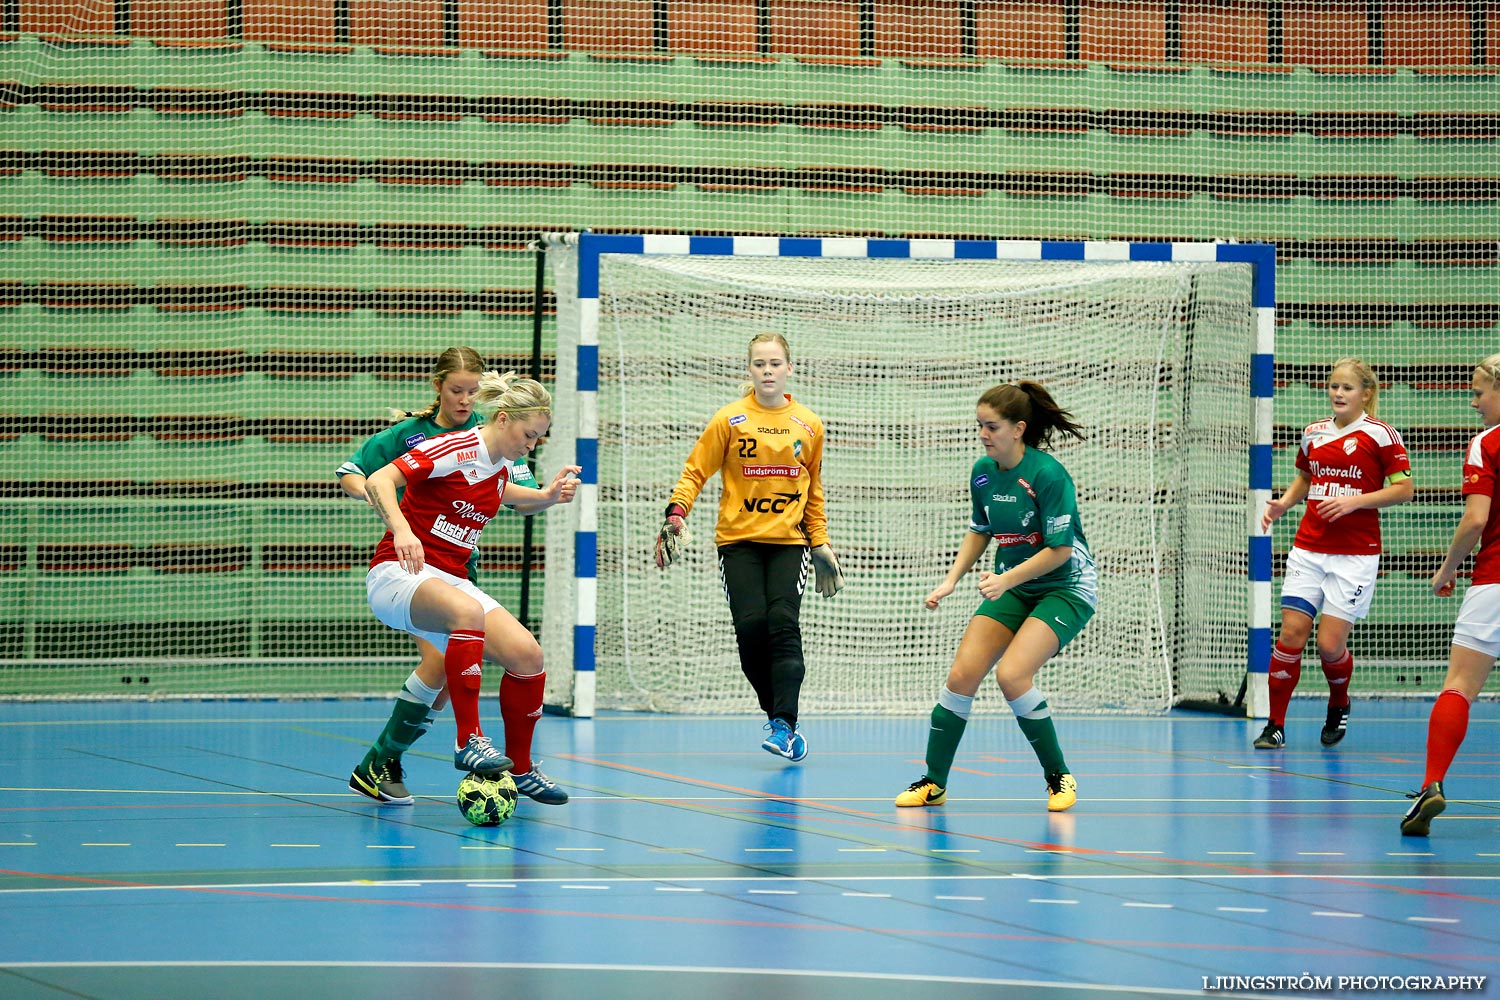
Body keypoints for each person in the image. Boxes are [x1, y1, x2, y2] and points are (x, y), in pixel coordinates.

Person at [341, 348, 560, 806]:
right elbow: (379, 480)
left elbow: (509, 494)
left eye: (539, 438)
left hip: (452, 577)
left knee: (527, 655)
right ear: (503, 419)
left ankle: (520, 767)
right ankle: (469, 741)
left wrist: (548, 495)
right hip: (400, 573)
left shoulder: (501, 463)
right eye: (529, 435)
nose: (532, 445)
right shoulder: (455, 446)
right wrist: (402, 531)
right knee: (466, 616)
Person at [895, 381, 1094, 813]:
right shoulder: (983, 473)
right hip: (1014, 584)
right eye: (979, 426)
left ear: (1019, 428)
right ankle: (934, 782)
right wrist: (950, 580)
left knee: (1012, 676)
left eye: (992, 426)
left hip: (1065, 586)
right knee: (961, 677)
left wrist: (1005, 580)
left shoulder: (1047, 474)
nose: (983, 434)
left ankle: (1058, 775)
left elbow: (1059, 550)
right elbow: (980, 530)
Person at [654, 332, 843, 761]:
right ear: (749, 370)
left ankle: (785, 723)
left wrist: (821, 542)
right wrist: (676, 512)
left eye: (775, 363)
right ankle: (776, 718)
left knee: (781, 622)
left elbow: (813, 492)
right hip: (737, 542)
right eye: (760, 364)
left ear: (789, 368)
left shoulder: (809, 425)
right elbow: (694, 472)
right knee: (751, 628)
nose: (768, 370)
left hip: (787, 544)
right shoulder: (730, 420)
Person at [1254, 358, 1413, 751]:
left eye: (1347, 388)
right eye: (1333, 386)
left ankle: (1339, 701)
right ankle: (1275, 725)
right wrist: (1284, 504)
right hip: (1309, 548)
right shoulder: (1314, 433)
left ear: (1366, 393)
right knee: (1290, 635)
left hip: (1355, 555)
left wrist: (1353, 503)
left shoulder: (1381, 436)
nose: (1338, 393)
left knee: (1329, 645)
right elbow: (1307, 477)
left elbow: (1404, 489)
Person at [1401, 354, 1500, 836]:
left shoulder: (1487, 444)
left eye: (1480, 392)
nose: (1474, 402)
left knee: (1459, 685)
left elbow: (1476, 520)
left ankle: (1432, 784)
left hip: (1494, 582)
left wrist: (1446, 569)